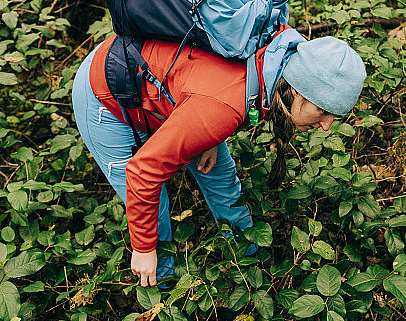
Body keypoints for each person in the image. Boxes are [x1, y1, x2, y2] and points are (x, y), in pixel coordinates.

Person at [71, 31, 366, 288]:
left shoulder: (280, 57)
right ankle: (160, 287)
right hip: (106, 92)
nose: (327, 125)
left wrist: (210, 134)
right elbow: (143, 172)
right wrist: (143, 248)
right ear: (301, 91)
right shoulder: (224, 106)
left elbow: (220, 82)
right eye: (324, 111)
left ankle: (248, 265)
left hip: (173, 86)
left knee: (222, 177)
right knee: (153, 205)